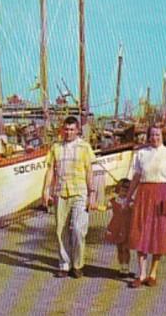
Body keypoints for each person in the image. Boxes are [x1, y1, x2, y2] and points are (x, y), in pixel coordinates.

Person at [41, 116, 96, 279]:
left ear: (77, 130)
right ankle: (64, 264)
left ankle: (78, 264)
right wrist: (45, 190)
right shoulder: (56, 147)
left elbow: (89, 171)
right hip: (61, 192)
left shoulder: (85, 147)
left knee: (78, 229)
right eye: (66, 129)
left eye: (72, 129)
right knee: (61, 231)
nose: (68, 132)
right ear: (62, 130)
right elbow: (50, 170)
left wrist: (92, 193)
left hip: (80, 192)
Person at [126, 125, 166, 288]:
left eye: (158, 135)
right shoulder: (141, 154)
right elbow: (136, 177)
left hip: (163, 195)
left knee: (159, 234)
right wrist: (128, 198)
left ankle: (153, 273)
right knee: (140, 232)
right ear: (148, 136)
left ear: (162, 136)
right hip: (144, 195)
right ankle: (141, 274)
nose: (155, 138)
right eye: (152, 135)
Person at [104, 178, 133, 278]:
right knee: (119, 248)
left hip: (126, 228)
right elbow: (104, 207)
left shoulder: (130, 202)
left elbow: (136, 209)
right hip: (116, 227)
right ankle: (121, 266)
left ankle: (126, 267)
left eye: (127, 190)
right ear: (118, 190)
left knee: (126, 248)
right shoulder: (114, 200)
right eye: (122, 190)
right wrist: (94, 206)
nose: (124, 192)